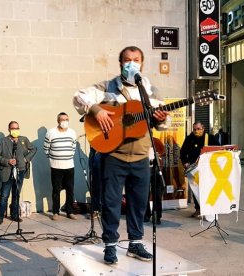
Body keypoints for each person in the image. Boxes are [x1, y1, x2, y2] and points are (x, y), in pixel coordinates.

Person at [73, 46, 169, 264]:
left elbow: (163, 125)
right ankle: (110, 245)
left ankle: (135, 243)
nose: (131, 63)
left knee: (138, 203)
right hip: (113, 156)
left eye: (136, 60)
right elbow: (78, 97)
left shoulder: (151, 91)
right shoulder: (108, 87)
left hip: (141, 156)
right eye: (127, 60)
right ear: (120, 63)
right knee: (111, 202)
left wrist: (162, 119)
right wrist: (96, 110)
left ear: (142, 64)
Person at [0, 121, 37, 225]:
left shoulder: (23, 140)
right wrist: (7, 161)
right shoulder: (2, 141)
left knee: (16, 194)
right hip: (7, 171)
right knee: (4, 195)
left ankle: (15, 215)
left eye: (17, 128)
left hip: (20, 171)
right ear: (9, 129)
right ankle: (0, 217)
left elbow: (34, 149)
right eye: (13, 128)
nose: (15, 130)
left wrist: (26, 159)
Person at [44, 112, 77, 221]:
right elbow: (46, 149)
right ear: (58, 121)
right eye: (62, 119)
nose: (65, 121)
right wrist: (53, 159)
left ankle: (70, 211)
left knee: (70, 189)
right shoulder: (50, 132)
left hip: (69, 165)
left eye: (67, 119)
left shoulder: (72, 132)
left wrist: (68, 156)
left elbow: (73, 147)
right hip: (56, 166)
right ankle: (55, 212)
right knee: (56, 190)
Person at [180, 121, 218, 218]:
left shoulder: (210, 138)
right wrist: (185, 162)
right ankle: (198, 209)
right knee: (196, 189)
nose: (196, 131)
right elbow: (183, 152)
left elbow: (218, 150)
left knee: (207, 189)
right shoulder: (189, 139)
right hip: (194, 169)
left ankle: (209, 209)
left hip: (208, 169)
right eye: (194, 129)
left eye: (198, 129)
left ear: (203, 128)